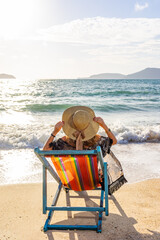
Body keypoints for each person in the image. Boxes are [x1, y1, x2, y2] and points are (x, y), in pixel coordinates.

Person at [43, 106, 127, 194]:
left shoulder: (64, 143)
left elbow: (45, 151)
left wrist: (55, 132)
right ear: (89, 126)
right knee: (104, 166)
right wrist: (104, 126)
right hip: (93, 181)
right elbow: (113, 141)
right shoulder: (99, 142)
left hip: (71, 182)